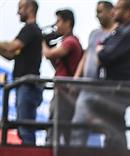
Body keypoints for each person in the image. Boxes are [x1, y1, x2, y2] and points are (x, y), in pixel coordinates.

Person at [94, 0, 130, 149]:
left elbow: (105, 55)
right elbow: (103, 45)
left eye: (118, 8)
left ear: (127, 12)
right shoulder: (122, 30)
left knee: (115, 127)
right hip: (113, 88)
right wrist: (101, 50)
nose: (114, 11)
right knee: (112, 126)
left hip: (120, 88)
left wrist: (101, 51)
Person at [70, 0, 114, 146]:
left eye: (100, 12)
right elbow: (85, 56)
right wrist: (76, 78)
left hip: (105, 89)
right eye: (96, 12)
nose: (97, 16)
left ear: (110, 12)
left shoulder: (117, 34)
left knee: (108, 126)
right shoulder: (94, 34)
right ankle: (75, 155)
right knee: (78, 124)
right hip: (87, 87)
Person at [0, 0, 43, 145]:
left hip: (28, 85)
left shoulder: (30, 29)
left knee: (25, 129)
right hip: (24, 86)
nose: (18, 12)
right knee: (23, 129)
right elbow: (11, 54)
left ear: (30, 8)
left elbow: (12, 47)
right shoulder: (29, 30)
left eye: (20, 8)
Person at [42, 9, 83, 144]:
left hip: (65, 93)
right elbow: (58, 66)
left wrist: (42, 42)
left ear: (68, 23)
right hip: (63, 91)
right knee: (61, 128)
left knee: (56, 126)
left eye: (59, 21)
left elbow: (49, 54)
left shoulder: (70, 41)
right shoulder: (69, 41)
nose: (56, 25)